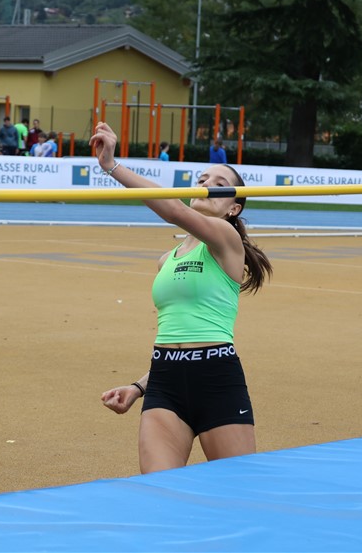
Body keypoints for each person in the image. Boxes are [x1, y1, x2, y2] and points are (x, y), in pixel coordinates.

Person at [91, 121, 272, 474]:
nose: (206, 185)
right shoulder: (166, 260)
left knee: (236, 492)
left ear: (233, 209)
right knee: (161, 492)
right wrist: (139, 386)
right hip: (166, 380)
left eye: (219, 184)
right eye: (203, 179)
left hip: (216, 379)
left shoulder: (226, 240)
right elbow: (179, 330)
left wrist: (111, 166)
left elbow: (174, 210)